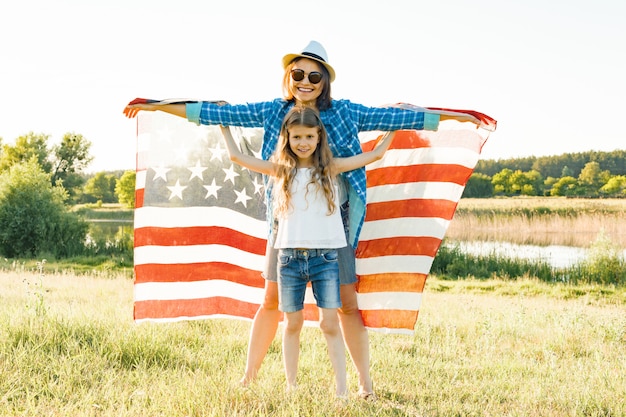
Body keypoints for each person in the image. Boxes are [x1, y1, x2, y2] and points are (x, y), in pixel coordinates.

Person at [124, 40, 481, 399]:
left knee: (346, 306)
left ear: (325, 80)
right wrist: (153, 106)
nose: (305, 81)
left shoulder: (345, 112)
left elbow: (402, 118)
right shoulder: (272, 111)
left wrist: (459, 117)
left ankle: (365, 386)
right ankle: (248, 379)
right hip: (285, 227)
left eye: (314, 75)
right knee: (270, 303)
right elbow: (216, 114)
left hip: (335, 226)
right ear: (288, 77)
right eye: (298, 74)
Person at [219, 106, 396, 396]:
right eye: (296, 136)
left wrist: (395, 128)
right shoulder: (282, 171)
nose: (303, 142)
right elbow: (237, 157)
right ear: (287, 138)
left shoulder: (331, 168)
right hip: (288, 258)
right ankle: (291, 388)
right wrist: (223, 125)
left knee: (329, 322)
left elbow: (374, 155)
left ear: (319, 137)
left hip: (326, 257)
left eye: (309, 136)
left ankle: (342, 391)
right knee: (292, 323)